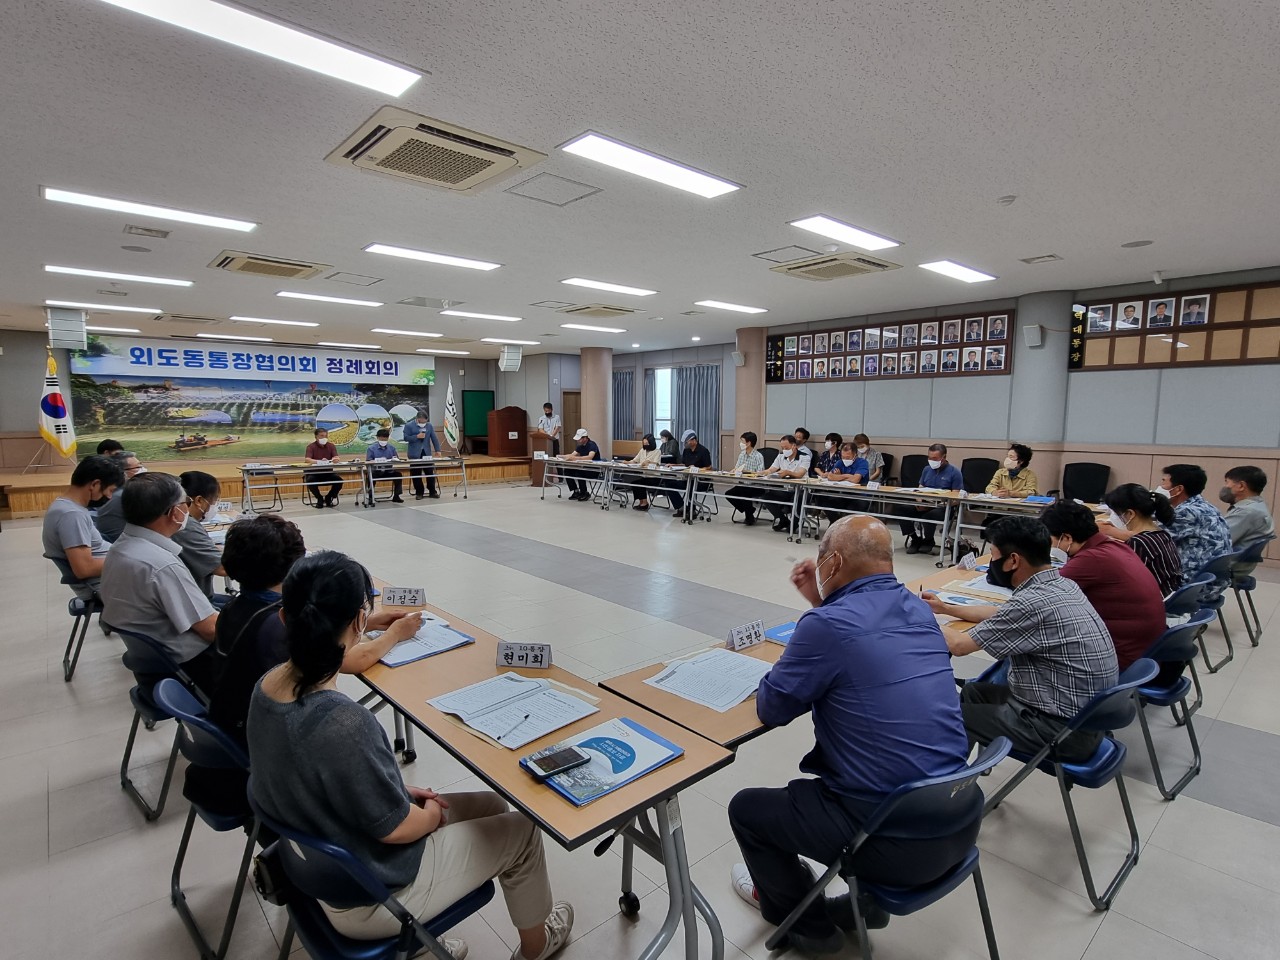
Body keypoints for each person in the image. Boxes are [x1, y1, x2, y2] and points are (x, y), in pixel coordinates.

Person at [247, 551, 574, 960]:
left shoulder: (266, 687)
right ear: (359, 622)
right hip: (371, 895)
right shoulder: (343, 722)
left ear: (283, 617)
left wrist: (397, 792)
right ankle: (536, 947)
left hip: (317, 866)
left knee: (492, 802)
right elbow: (397, 829)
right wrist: (431, 814)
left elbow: (323, 774)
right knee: (524, 829)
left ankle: (422, 946)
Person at [729, 518, 978, 955]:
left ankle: (808, 928)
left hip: (887, 835)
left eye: (822, 557)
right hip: (956, 814)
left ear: (834, 560)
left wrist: (811, 624)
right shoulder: (920, 609)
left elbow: (773, 707)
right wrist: (820, 606)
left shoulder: (826, 627)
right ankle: (864, 906)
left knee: (748, 809)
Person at [924, 516, 1118, 762]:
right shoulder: (1063, 584)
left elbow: (959, 646)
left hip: (1063, 732)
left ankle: (950, 783)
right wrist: (947, 609)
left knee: (949, 717)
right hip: (1084, 718)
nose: (992, 563)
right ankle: (964, 767)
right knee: (973, 692)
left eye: (993, 556)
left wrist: (919, 614)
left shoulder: (1031, 603)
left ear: (1013, 560)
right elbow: (1001, 613)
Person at [98, 473, 221, 696]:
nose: (188, 509)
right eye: (186, 503)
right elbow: (210, 629)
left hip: (154, 662)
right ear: (175, 513)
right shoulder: (162, 565)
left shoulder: (119, 548)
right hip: (192, 665)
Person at [1039, 501, 1166, 672]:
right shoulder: (1114, 546)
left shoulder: (1091, 559)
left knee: (1032, 643)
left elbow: (1043, 596)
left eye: (1051, 540)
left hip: (1121, 658)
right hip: (1148, 650)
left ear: (1067, 538)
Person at [42, 454, 125, 598]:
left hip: (108, 578)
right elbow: (84, 569)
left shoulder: (65, 507)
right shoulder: (72, 515)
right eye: (110, 490)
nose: (110, 497)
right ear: (95, 484)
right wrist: (130, 561)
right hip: (103, 584)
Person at [1097, 484, 1182, 597]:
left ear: (1130, 514)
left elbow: (1122, 580)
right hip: (1170, 596)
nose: (1115, 518)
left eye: (1116, 513)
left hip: (1157, 602)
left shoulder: (1138, 543)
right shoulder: (1162, 534)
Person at [1157, 465, 1233, 577]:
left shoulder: (1188, 511)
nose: (1160, 487)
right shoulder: (1205, 506)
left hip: (1191, 582)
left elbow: (1151, 539)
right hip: (1208, 579)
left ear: (1178, 489)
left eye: (1164, 482)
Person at [895, 443, 963, 554]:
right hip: (925, 504)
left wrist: (941, 503)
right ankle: (915, 539)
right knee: (901, 509)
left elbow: (956, 498)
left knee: (930, 515)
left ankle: (928, 540)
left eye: (935, 458)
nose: (931, 461)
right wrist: (920, 502)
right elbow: (920, 489)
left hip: (943, 507)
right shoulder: (926, 469)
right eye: (929, 458)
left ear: (944, 457)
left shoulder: (954, 472)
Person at [174, 471, 228, 603]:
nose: (215, 505)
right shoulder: (187, 526)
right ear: (199, 500)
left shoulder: (183, 522)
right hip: (197, 602)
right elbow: (222, 568)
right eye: (215, 499)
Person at [760, 434, 812, 532]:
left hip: (801, 490)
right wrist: (760, 473)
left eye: (786, 447)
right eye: (782, 448)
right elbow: (771, 469)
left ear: (794, 446)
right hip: (786, 489)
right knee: (767, 497)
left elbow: (800, 474)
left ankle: (794, 524)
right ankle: (783, 520)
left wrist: (787, 472)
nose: (784, 450)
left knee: (799, 498)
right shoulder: (780, 456)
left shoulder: (804, 457)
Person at [94, 451, 146, 542]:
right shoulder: (125, 495)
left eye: (141, 465)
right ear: (123, 472)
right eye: (138, 467)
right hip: (122, 542)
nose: (143, 469)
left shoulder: (122, 490)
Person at [1221, 465, 1275, 548]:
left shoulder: (1246, 512)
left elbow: (1216, 541)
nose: (1225, 486)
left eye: (1227, 482)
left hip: (1227, 560)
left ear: (1241, 486)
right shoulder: (1258, 506)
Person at [814, 441, 869, 521]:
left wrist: (839, 476)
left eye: (848, 457)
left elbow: (855, 479)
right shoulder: (840, 462)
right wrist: (846, 476)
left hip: (859, 496)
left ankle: (845, 526)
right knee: (826, 503)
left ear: (855, 455)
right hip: (842, 494)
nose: (845, 459)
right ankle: (835, 523)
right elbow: (830, 476)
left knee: (853, 510)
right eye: (843, 457)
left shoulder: (862, 463)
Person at [666, 430, 712, 517]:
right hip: (687, 479)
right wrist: (674, 465)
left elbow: (709, 468)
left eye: (687, 442)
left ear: (694, 440)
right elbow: (684, 464)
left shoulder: (703, 451)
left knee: (690, 485)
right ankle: (681, 507)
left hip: (701, 481)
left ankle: (692, 510)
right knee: (669, 483)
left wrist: (697, 469)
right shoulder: (686, 451)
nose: (685, 444)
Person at [725, 432, 766, 525]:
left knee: (744, 493)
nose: (741, 444)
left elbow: (760, 473)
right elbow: (737, 468)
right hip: (743, 484)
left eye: (742, 441)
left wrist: (746, 471)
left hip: (756, 486)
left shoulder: (758, 456)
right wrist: (734, 470)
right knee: (728, 494)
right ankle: (750, 510)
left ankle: (749, 517)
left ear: (749, 443)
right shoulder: (742, 454)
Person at [405, 410, 442, 500]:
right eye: (422, 422)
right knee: (416, 474)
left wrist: (438, 450)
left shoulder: (429, 425)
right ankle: (419, 492)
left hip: (426, 453)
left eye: (426, 421)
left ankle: (432, 491)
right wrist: (416, 437)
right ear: (418, 419)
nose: (424, 423)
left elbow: (434, 438)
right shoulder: (409, 425)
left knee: (430, 472)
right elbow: (406, 438)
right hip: (414, 453)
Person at [303, 427, 345, 508]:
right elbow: (307, 460)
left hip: (328, 472)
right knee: (310, 481)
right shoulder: (311, 447)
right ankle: (319, 498)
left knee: (339, 481)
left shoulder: (331, 446)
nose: (324, 438)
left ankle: (329, 497)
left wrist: (335, 459)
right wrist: (319, 462)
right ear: (316, 437)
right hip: (314, 473)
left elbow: (336, 457)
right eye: (321, 436)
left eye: (325, 436)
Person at [560, 427, 601, 502]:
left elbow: (590, 457)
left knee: (580, 472)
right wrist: (562, 457)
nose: (578, 441)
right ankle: (575, 491)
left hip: (593, 470)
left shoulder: (592, 444)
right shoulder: (580, 446)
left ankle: (584, 492)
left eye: (579, 439)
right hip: (584, 468)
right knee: (567, 471)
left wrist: (576, 458)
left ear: (585, 438)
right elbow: (572, 454)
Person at [624, 434, 662, 511]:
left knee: (640, 483)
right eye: (644, 444)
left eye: (647, 444)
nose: (645, 445)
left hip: (654, 477)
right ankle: (641, 502)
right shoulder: (642, 451)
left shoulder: (657, 451)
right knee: (635, 483)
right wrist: (627, 462)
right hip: (645, 476)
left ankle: (644, 503)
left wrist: (649, 462)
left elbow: (657, 464)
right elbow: (635, 460)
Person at [366, 428, 404, 503]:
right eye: (381, 438)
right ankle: (371, 497)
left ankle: (396, 496)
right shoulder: (371, 448)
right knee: (370, 476)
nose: (383, 440)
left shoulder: (392, 448)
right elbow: (368, 462)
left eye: (385, 438)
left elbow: (396, 459)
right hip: (376, 471)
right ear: (377, 438)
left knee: (398, 475)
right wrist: (374, 461)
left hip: (388, 471)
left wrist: (395, 459)